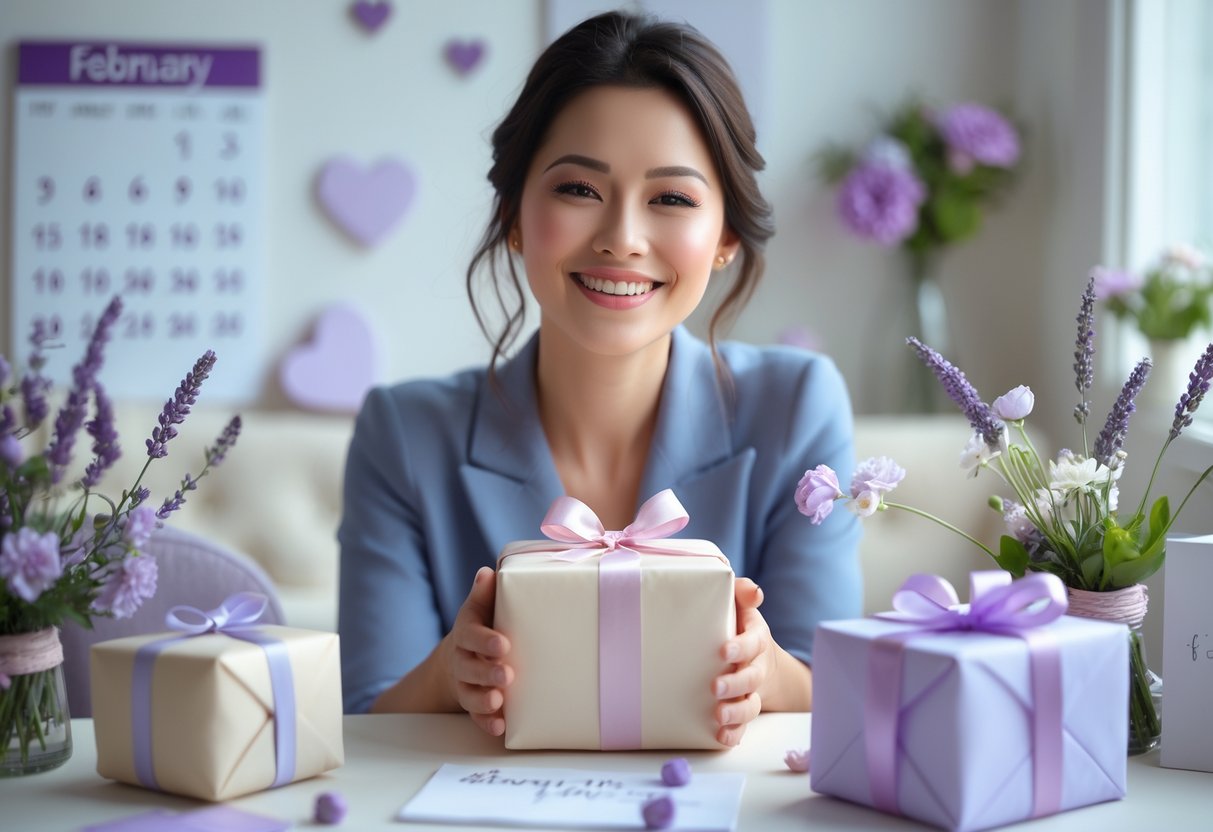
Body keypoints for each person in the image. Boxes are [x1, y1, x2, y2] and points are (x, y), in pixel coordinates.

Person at [338, 10, 861, 747]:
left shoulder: (797, 408)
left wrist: (765, 674)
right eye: (579, 188)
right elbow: (360, 720)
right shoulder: (403, 434)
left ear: (725, 239)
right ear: (516, 213)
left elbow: (842, 691)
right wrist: (448, 676)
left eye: (671, 198)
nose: (620, 236)